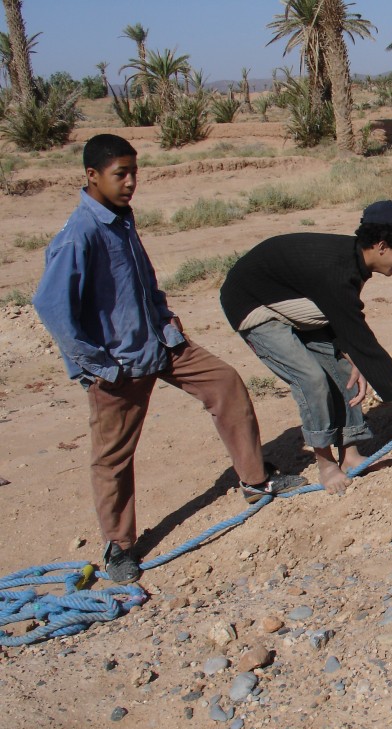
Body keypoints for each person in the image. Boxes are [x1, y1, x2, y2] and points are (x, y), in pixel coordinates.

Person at [33, 134, 306, 585]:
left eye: (133, 172)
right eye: (120, 174)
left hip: (160, 345)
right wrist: (95, 363)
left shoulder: (120, 219)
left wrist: (163, 320)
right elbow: (52, 306)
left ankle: (256, 481)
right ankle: (119, 547)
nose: (130, 182)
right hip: (117, 364)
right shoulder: (79, 233)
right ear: (92, 176)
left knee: (225, 383)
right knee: (113, 457)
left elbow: (141, 280)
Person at [220, 201, 392, 494]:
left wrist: (353, 356)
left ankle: (350, 456)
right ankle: (325, 464)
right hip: (254, 306)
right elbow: (364, 343)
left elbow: (349, 329)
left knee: (346, 367)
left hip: (296, 299)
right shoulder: (336, 272)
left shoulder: (353, 263)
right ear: (381, 247)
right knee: (311, 378)